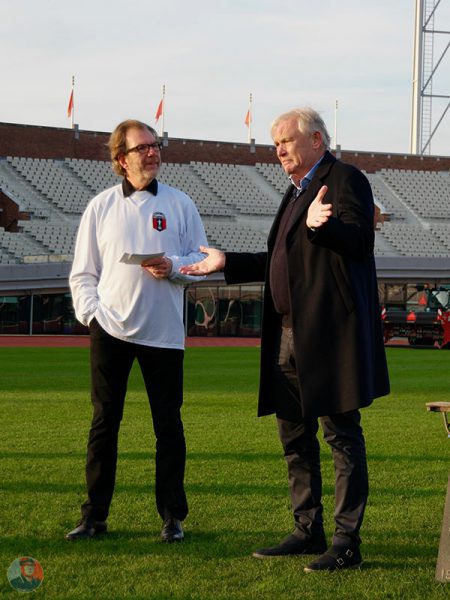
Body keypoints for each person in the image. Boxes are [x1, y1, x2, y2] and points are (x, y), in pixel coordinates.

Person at [180, 107, 390, 571]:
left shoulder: (345, 179)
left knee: (341, 437)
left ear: (316, 139)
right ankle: (307, 529)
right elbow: (280, 260)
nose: (278, 149)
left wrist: (323, 226)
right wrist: (226, 264)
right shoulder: (295, 192)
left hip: (329, 338)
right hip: (287, 335)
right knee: (295, 438)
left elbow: (357, 243)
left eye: (286, 140)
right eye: (275, 143)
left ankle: (346, 542)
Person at [67, 119, 207, 543]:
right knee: (104, 423)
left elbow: (201, 264)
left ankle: (172, 517)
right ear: (121, 159)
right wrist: (93, 315)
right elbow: (83, 273)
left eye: (155, 144)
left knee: (168, 425)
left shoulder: (181, 204)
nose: (152, 152)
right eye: (142, 147)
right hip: (109, 329)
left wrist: (175, 267)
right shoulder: (101, 207)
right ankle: (94, 516)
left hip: (164, 334)